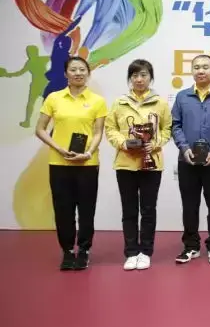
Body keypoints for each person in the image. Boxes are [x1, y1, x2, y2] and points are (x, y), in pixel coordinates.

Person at [34, 56, 107, 270]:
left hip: (87, 163)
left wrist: (89, 152)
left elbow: (98, 132)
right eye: (73, 69)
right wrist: (58, 148)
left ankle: (84, 250)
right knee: (63, 209)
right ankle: (67, 251)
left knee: (86, 209)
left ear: (88, 73)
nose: (78, 73)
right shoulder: (54, 98)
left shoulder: (97, 101)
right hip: (59, 163)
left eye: (82, 69)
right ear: (66, 73)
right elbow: (40, 129)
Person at [105, 59, 172, 271]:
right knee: (129, 210)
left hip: (152, 164)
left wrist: (156, 143)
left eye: (143, 75)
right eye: (135, 75)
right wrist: (123, 143)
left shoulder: (160, 103)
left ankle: (146, 252)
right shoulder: (119, 103)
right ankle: (131, 252)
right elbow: (110, 128)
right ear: (130, 78)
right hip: (125, 164)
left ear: (151, 78)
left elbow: (167, 129)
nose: (139, 79)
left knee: (148, 209)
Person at [171, 54, 210, 265]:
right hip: (187, 161)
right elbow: (175, 125)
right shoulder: (182, 96)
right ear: (191, 71)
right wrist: (184, 148)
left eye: (205, 67)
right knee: (189, 205)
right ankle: (191, 246)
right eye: (196, 67)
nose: (201, 71)